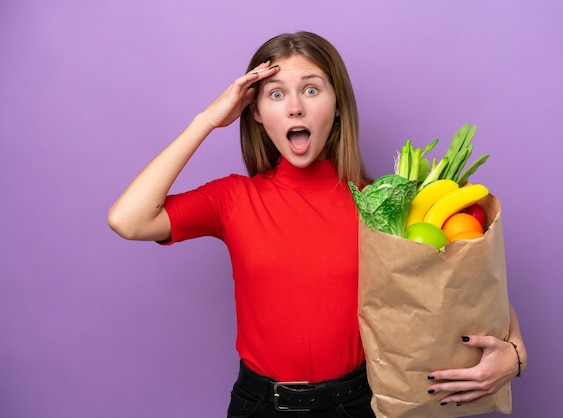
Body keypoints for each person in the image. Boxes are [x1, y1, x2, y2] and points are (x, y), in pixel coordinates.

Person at [108, 31, 527, 417]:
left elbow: (463, 279)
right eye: (275, 94)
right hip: (260, 406)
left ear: (338, 104)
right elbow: (128, 220)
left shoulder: (382, 205)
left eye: (311, 89)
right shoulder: (233, 198)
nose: (295, 106)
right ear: (254, 112)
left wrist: (515, 352)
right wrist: (208, 120)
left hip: (361, 403)